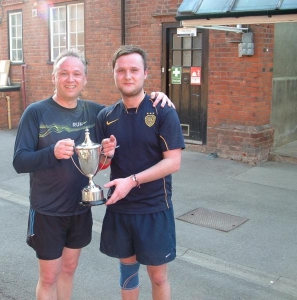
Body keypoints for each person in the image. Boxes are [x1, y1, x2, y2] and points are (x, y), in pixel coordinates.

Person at [12, 49, 174, 300]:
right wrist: (51, 152)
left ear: (85, 79)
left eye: (77, 74)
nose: (70, 79)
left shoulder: (96, 114)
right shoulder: (36, 112)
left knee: (68, 270)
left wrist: (156, 96)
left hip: (80, 208)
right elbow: (19, 161)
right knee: (48, 277)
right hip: (47, 210)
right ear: (53, 77)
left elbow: (125, 113)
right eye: (63, 73)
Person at [96, 45, 185, 300]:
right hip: (121, 208)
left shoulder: (163, 110)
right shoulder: (106, 116)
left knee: (158, 276)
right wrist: (106, 155)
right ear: (114, 74)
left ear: (145, 73)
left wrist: (132, 181)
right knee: (128, 273)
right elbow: (101, 165)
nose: (128, 76)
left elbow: (173, 163)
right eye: (121, 70)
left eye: (134, 70)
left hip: (154, 208)